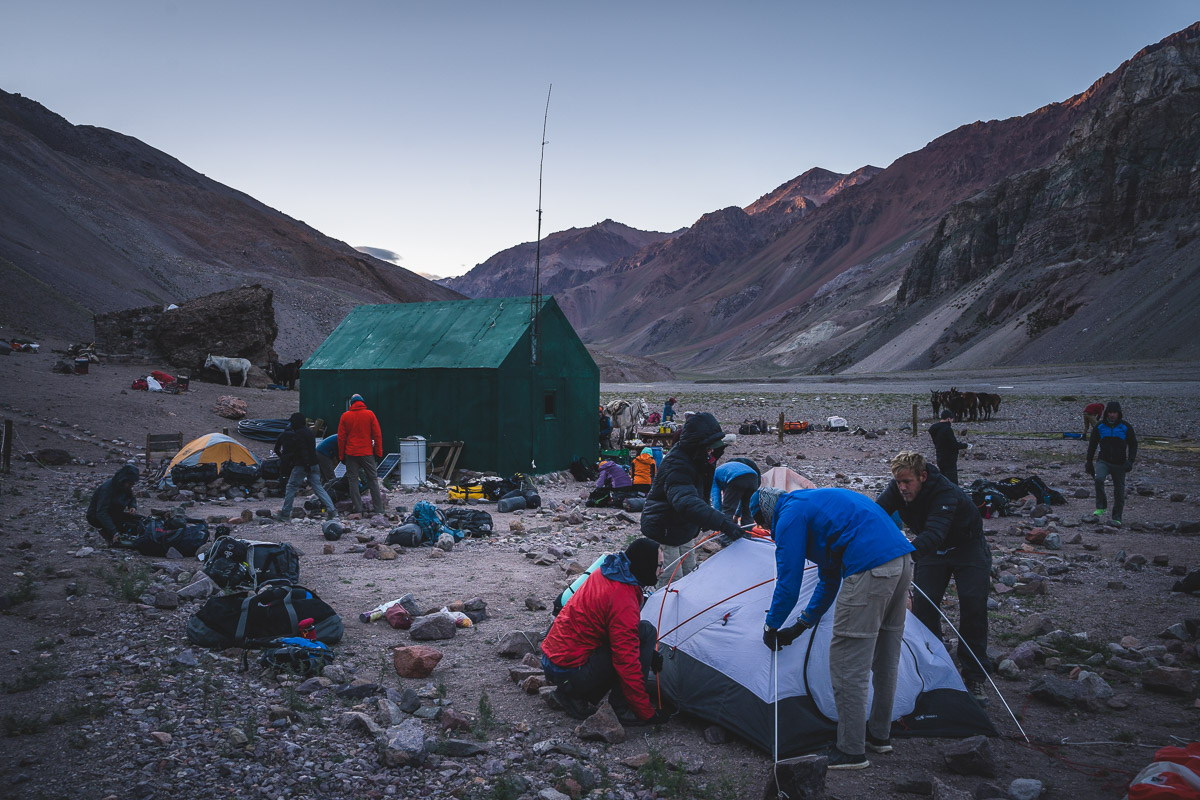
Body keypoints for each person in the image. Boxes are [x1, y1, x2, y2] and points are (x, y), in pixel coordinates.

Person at [760, 486, 914, 771]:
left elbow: (788, 581)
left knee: (847, 662)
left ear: (768, 511)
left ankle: (851, 750)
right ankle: (879, 736)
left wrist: (772, 624)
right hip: (902, 563)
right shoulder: (812, 504)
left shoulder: (789, 514)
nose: (766, 528)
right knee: (886, 658)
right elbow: (829, 579)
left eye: (764, 522)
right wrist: (801, 624)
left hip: (870, 568)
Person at [876, 451, 991, 705]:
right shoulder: (897, 489)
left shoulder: (945, 493)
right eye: (898, 482)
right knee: (925, 609)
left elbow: (935, 533)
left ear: (923, 476)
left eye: (908, 482)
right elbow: (875, 513)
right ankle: (935, 665)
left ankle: (974, 676)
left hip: (967, 547)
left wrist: (900, 555)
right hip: (933, 552)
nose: (902, 487)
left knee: (973, 607)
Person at [541, 538, 670, 726]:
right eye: (659, 565)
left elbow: (608, 629)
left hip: (553, 659)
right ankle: (620, 708)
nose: (662, 570)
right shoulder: (622, 596)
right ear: (645, 564)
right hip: (567, 670)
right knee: (630, 653)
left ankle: (570, 691)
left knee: (645, 632)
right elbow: (626, 661)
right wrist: (646, 712)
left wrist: (648, 654)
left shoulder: (608, 572)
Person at [641, 412, 744, 582]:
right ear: (697, 445)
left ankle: (687, 609)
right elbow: (686, 502)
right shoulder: (677, 465)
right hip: (664, 528)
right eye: (709, 446)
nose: (712, 450)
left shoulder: (700, 460)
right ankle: (662, 608)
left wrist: (704, 520)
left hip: (683, 527)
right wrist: (722, 522)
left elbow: (698, 497)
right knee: (671, 581)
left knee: (690, 576)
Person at [275, 413, 338, 521]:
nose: (291, 424)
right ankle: (332, 511)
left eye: (292, 421)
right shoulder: (309, 432)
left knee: (291, 487)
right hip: (314, 464)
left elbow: (303, 450)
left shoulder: (298, 434)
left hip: (302, 465)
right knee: (318, 488)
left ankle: (285, 514)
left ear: (296, 422)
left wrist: (305, 465)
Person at [1086, 401, 1137, 526]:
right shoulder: (1100, 426)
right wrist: (1089, 462)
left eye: (1114, 413)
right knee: (1098, 479)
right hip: (1103, 460)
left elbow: (1133, 444)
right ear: (1106, 413)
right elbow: (1092, 445)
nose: (1112, 415)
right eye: (1110, 413)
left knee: (1119, 491)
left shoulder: (1125, 427)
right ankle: (1101, 506)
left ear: (1118, 413)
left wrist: (1130, 461)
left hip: (1120, 463)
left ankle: (1117, 517)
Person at [338, 393, 385, 515]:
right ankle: (379, 510)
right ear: (362, 402)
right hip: (367, 452)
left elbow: (341, 438)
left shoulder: (345, 416)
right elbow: (377, 434)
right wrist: (378, 452)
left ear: (351, 403)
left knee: (352, 481)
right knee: (373, 480)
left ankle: (358, 509)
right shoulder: (370, 414)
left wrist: (341, 455)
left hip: (351, 453)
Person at [86, 464, 143, 544]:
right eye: (130, 483)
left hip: (114, 512)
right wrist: (114, 532)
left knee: (139, 520)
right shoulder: (107, 489)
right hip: (96, 516)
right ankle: (108, 532)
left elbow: (131, 498)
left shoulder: (124, 487)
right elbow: (101, 512)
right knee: (123, 527)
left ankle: (115, 530)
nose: (131, 486)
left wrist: (132, 506)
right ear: (123, 480)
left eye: (133, 484)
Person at [711, 457, 761, 524]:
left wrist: (719, 516)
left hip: (736, 477)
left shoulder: (713, 476)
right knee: (747, 510)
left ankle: (726, 533)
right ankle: (746, 533)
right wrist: (737, 515)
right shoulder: (724, 472)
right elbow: (741, 499)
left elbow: (716, 499)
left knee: (728, 510)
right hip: (754, 478)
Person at [928, 409, 968, 484]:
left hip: (940, 455)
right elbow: (953, 444)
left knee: (943, 479)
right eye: (952, 419)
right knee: (952, 481)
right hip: (949, 458)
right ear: (948, 418)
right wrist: (965, 445)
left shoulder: (934, 429)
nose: (952, 421)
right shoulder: (947, 429)